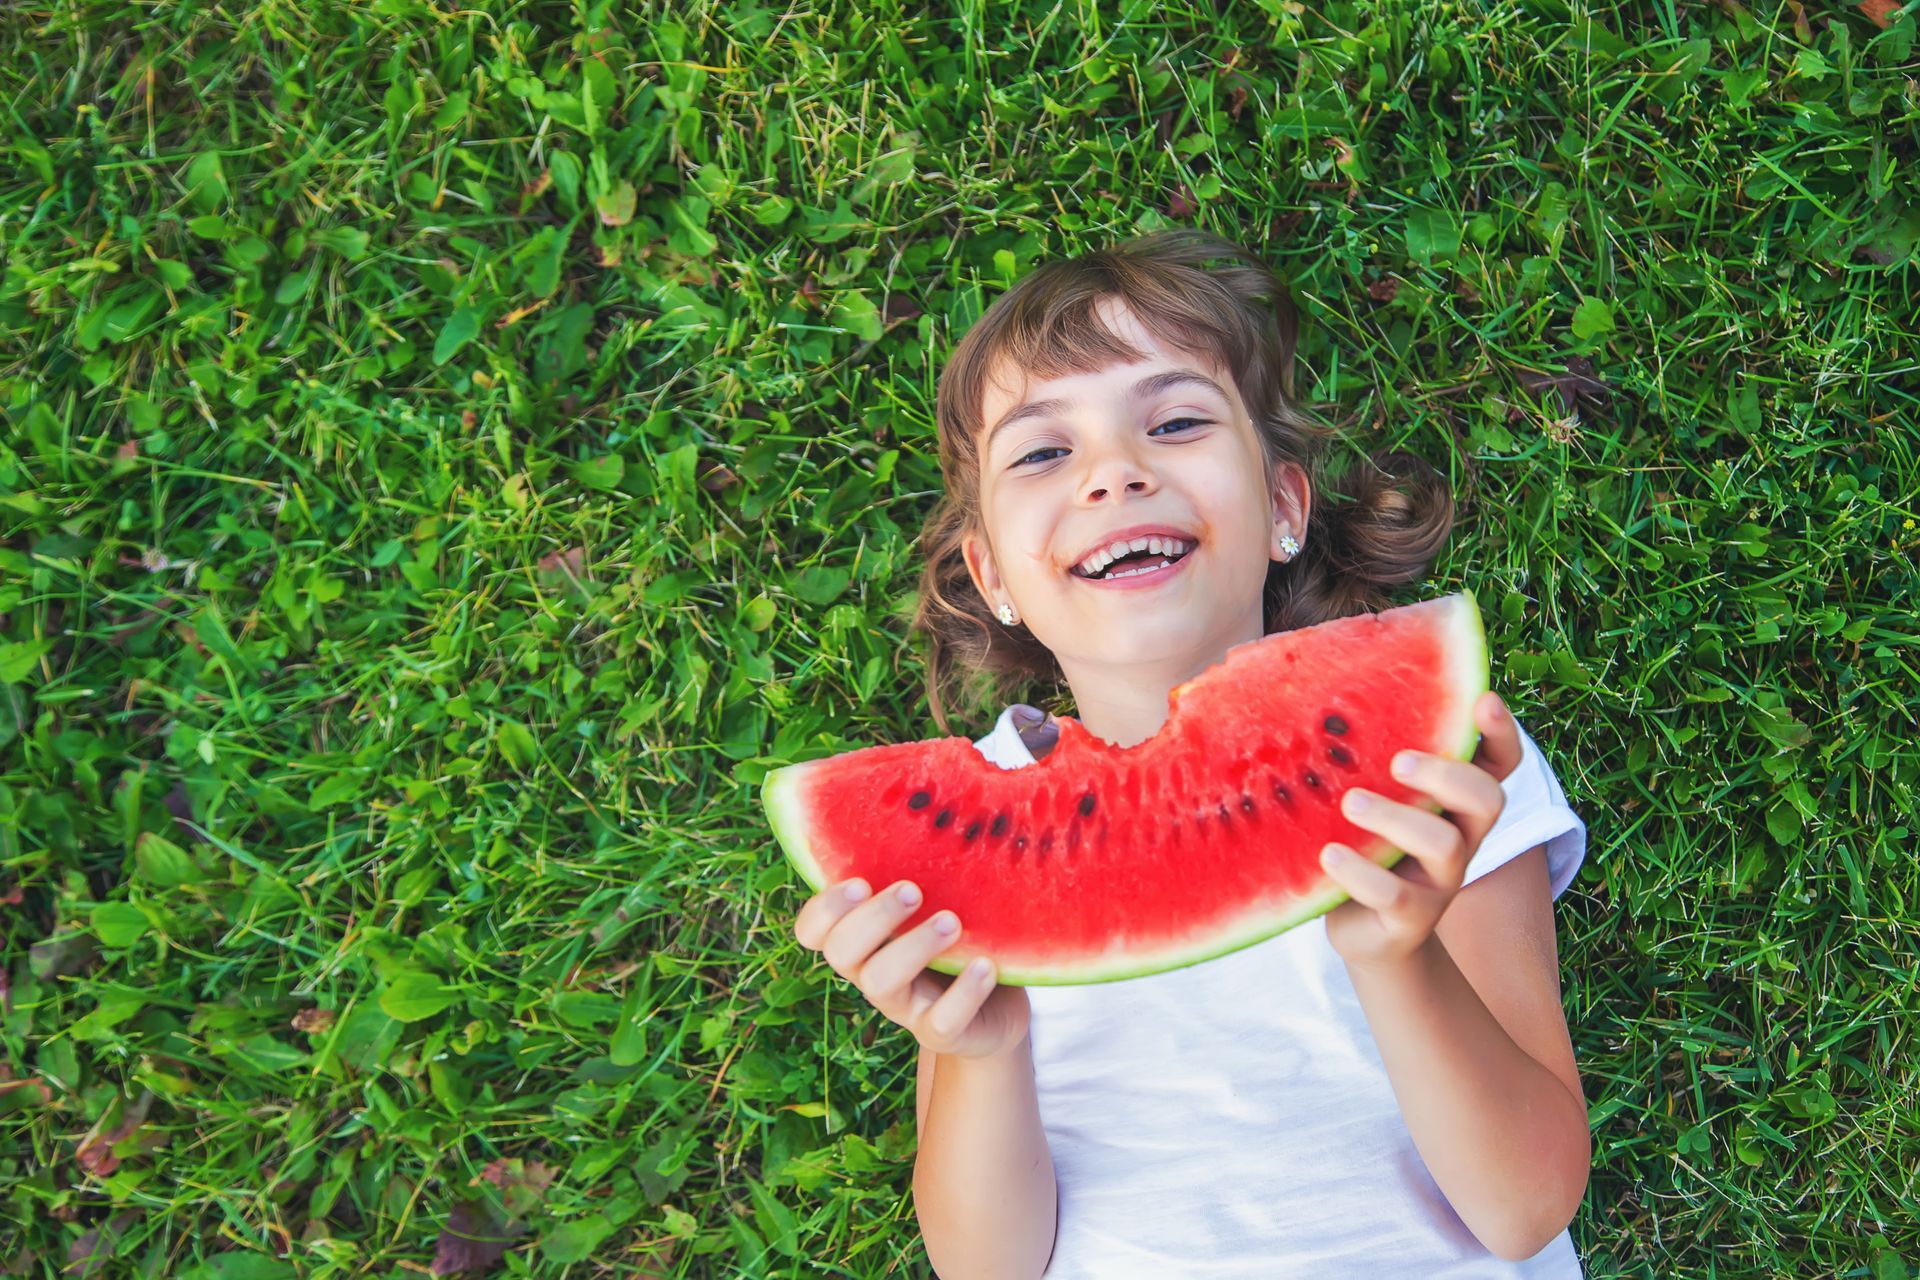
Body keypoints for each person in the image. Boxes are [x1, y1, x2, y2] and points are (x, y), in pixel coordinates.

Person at [791, 229, 1592, 1278]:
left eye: (1175, 422)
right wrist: (975, 1049)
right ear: (991, 575)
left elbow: (1524, 1205)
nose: (1115, 473)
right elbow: (987, 1264)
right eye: (1041, 451)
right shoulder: (959, 845)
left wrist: (1396, 953)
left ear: (1283, 509)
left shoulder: (1427, 767)